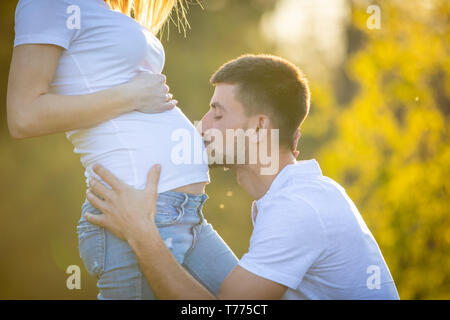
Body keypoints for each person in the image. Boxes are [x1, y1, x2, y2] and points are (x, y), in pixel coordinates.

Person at [85, 54, 400, 300]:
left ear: (261, 126)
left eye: (218, 114)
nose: (202, 126)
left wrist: (140, 232)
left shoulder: (298, 208)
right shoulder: (296, 196)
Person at [7, 0, 238, 299]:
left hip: (185, 212)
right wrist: (129, 95)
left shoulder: (104, 10)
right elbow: (24, 116)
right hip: (140, 211)